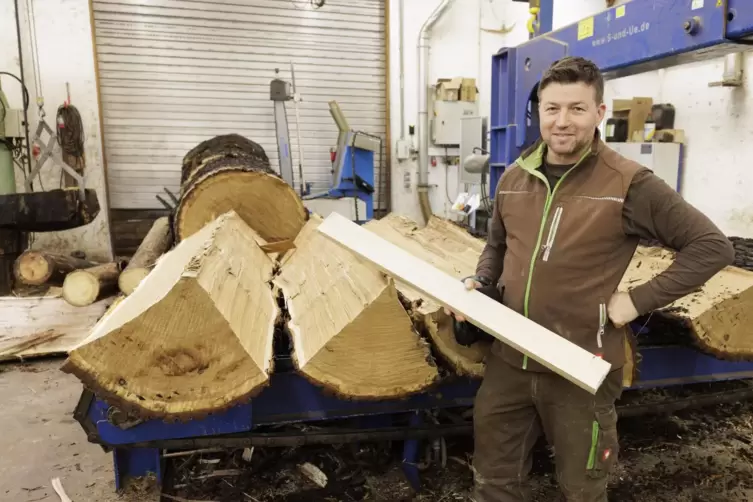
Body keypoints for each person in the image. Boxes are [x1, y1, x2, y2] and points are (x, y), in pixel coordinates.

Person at [448, 56, 735, 502]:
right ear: (538, 112)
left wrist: (637, 301)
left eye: (577, 109)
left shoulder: (629, 183)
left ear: (599, 113)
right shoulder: (513, 178)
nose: (562, 121)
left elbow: (712, 247)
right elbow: (496, 247)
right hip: (509, 364)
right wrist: (480, 282)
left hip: (580, 367)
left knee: (582, 490)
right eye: (552, 109)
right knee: (495, 483)